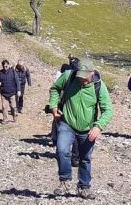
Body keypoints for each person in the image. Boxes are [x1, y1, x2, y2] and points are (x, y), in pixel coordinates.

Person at [48, 58, 113, 199]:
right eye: (79, 76)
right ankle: (64, 181)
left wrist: (98, 126)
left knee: (85, 158)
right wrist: (53, 107)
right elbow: (55, 88)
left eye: (84, 77)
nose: (81, 79)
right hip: (67, 123)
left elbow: (108, 110)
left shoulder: (99, 86)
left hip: (88, 129)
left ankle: (83, 187)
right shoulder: (69, 76)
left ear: (92, 73)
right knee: (62, 149)